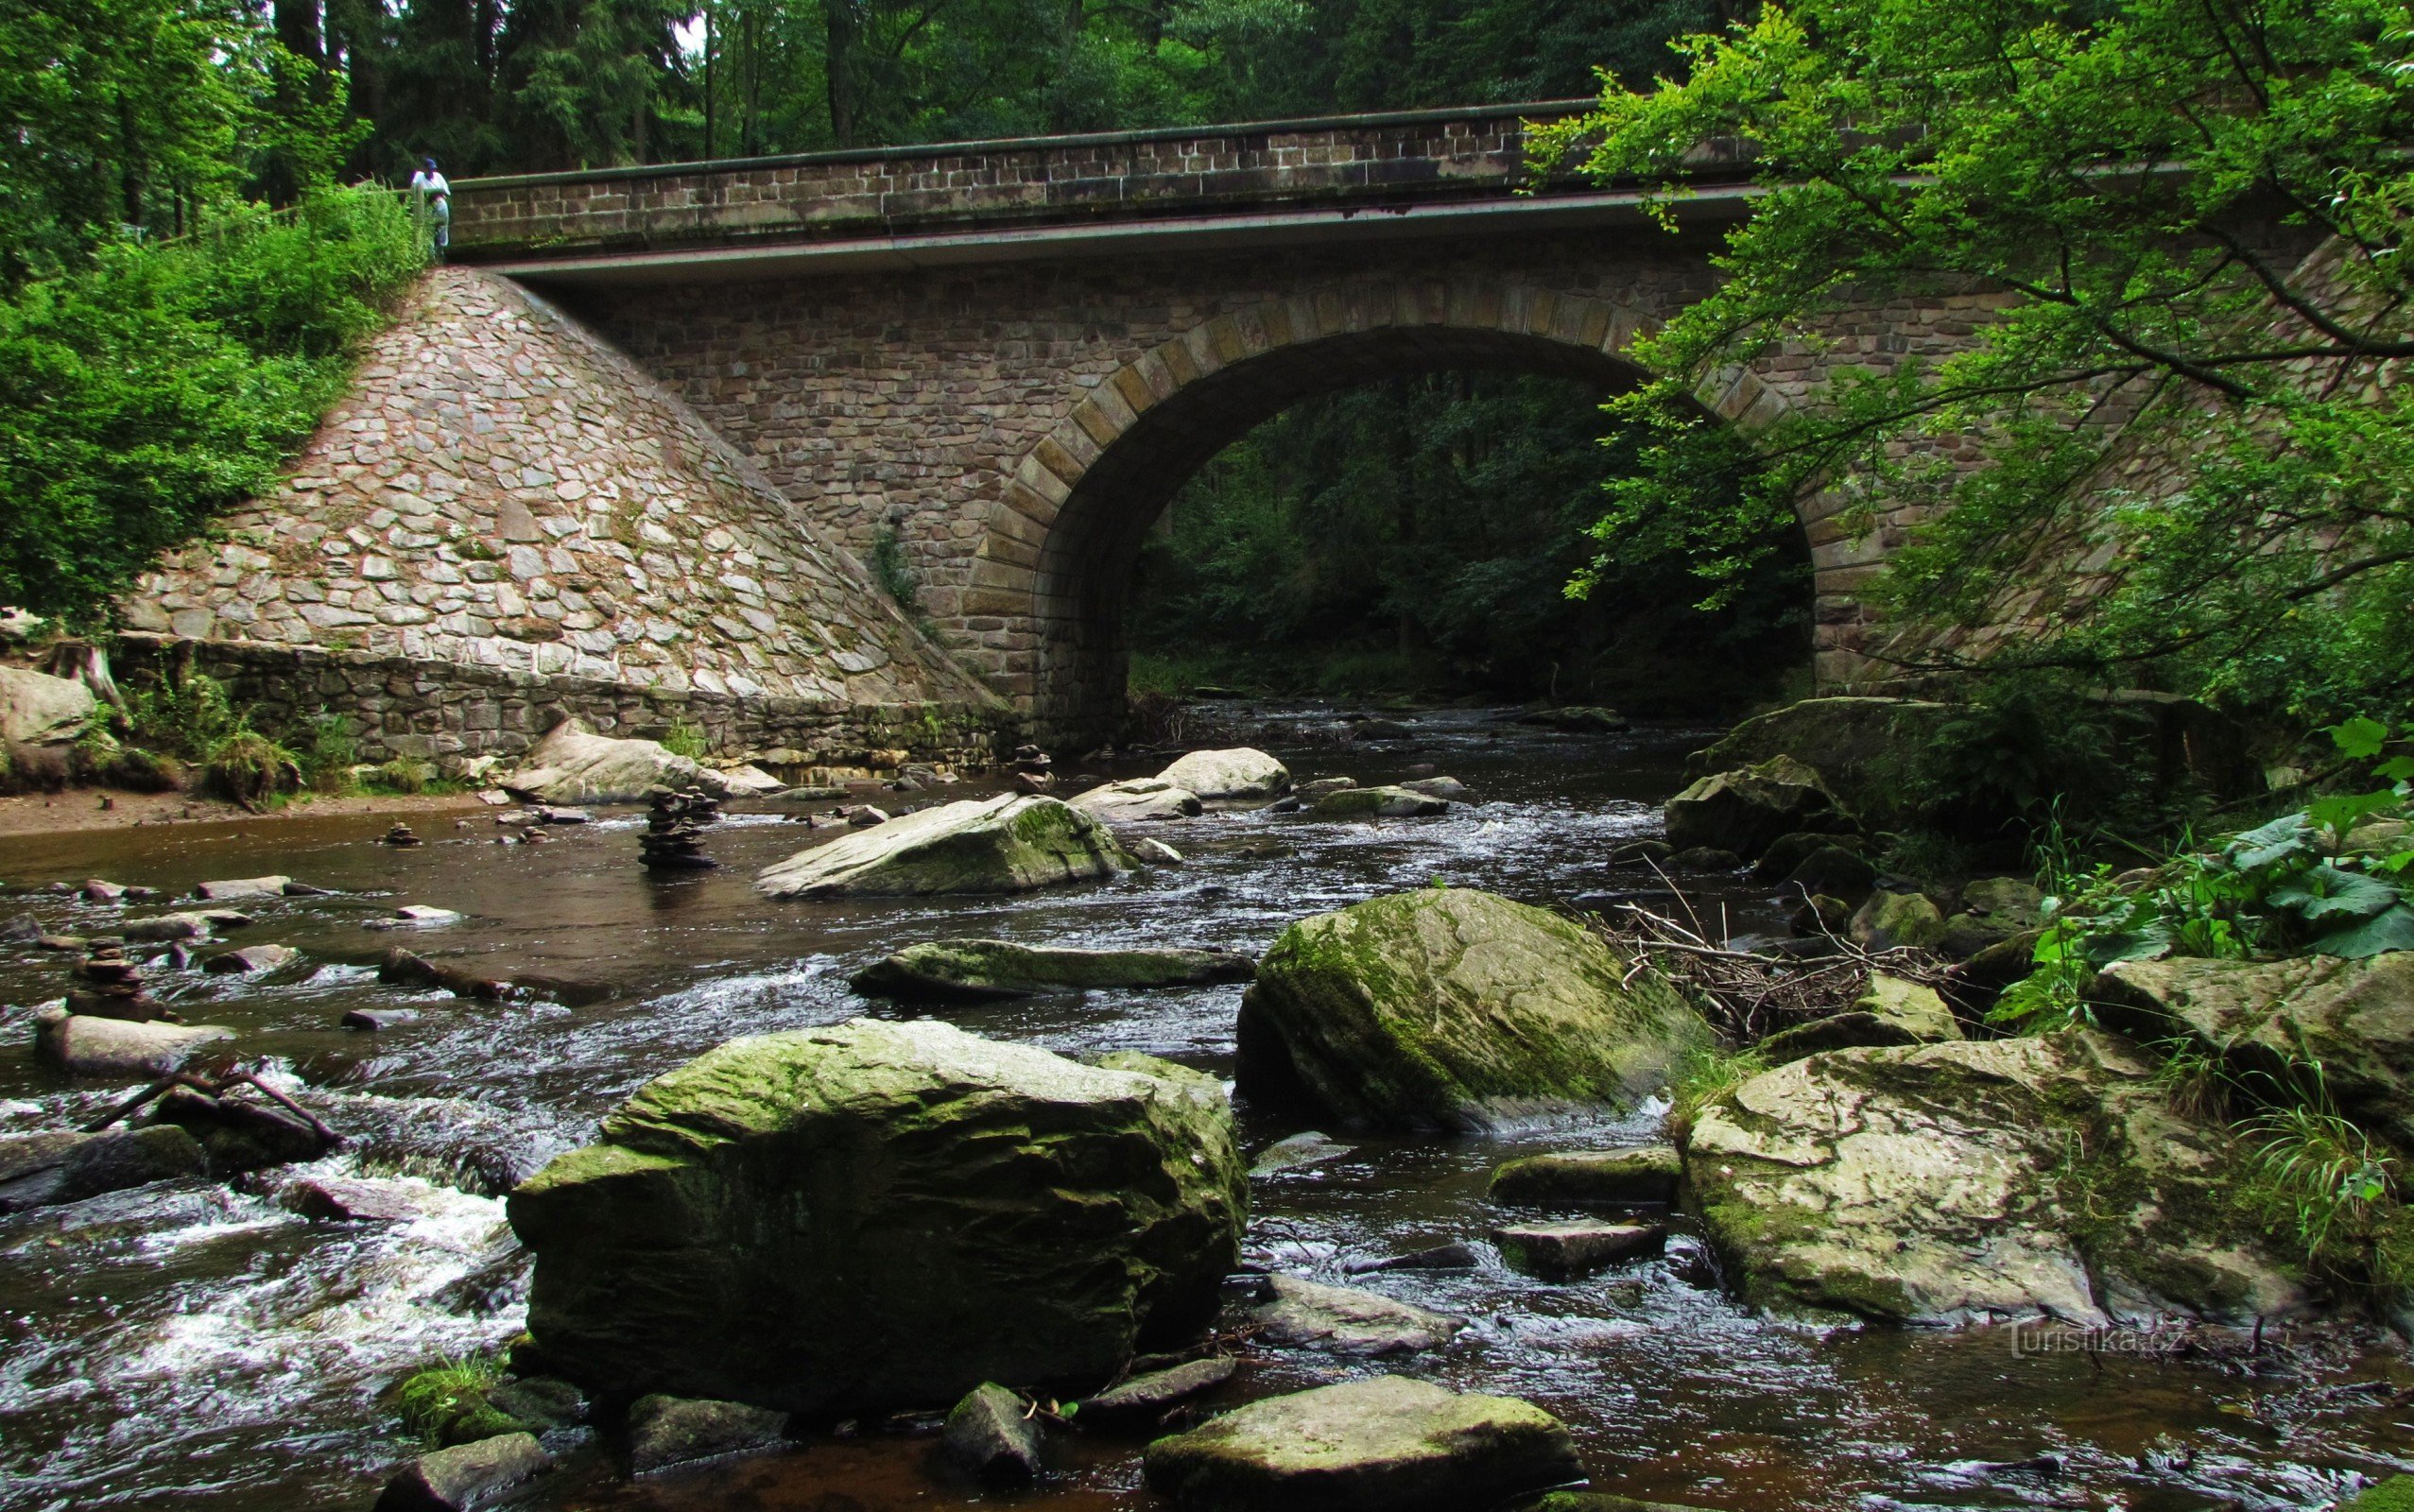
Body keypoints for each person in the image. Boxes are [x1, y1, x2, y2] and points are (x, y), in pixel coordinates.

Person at [409, 156, 451, 260]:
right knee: (428, 228)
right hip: (426, 205)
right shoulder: (419, 176)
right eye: (429, 169)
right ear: (424, 169)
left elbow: (446, 191)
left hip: (439, 202)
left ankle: (441, 251)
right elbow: (413, 189)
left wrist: (438, 193)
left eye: (433, 169)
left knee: (442, 226)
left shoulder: (438, 177)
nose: (431, 171)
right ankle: (430, 255)